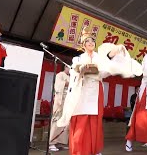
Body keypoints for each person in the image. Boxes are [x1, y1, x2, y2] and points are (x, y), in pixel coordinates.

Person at [57, 27, 142, 155]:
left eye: (92, 41)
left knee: (95, 120)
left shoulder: (99, 57)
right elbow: (74, 71)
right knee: (81, 120)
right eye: (88, 41)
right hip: (82, 90)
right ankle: (80, 150)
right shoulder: (78, 59)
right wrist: (82, 70)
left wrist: (117, 49)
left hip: (96, 90)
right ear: (83, 45)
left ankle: (94, 149)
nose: (91, 43)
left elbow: (108, 62)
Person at [49, 65, 70, 151]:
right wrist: (68, 83)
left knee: (66, 122)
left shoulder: (70, 77)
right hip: (60, 101)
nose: (70, 69)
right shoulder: (60, 75)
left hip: (68, 102)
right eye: (69, 67)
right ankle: (52, 143)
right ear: (65, 67)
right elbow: (57, 86)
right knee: (57, 120)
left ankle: (60, 142)